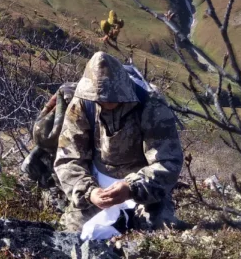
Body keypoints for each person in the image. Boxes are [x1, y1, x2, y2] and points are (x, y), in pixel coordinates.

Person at [54, 51, 184, 234]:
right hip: (97, 186)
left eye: (112, 97)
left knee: (160, 231)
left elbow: (168, 161)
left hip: (144, 186)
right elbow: (68, 158)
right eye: (100, 99)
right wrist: (89, 192)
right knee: (71, 234)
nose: (106, 102)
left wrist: (132, 188)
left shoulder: (151, 104)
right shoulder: (82, 103)